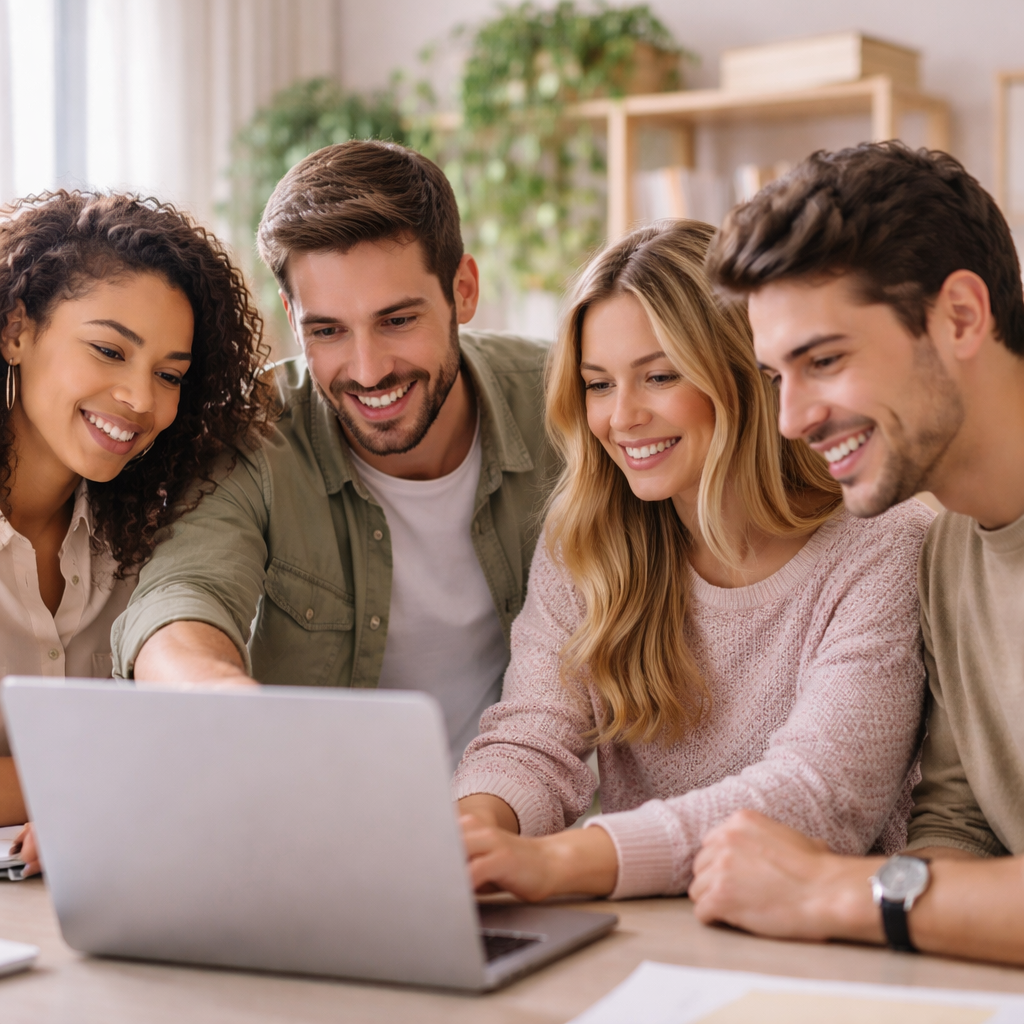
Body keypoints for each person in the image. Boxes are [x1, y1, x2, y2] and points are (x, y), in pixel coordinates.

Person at [453, 220, 934, 903]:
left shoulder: (882, 543)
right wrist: (474, 833)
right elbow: (532, 739)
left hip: (823, 938)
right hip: (646, 929)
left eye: (658, 376)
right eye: (597, 384)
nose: (622, 417)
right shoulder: (588, 540)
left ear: (741, 374)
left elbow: (820, 796)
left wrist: (567, 863)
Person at [111, 140, 557, 763]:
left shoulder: (564, 401)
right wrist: (217, 696)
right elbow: (180, 600)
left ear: (463, 290)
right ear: (292, 318)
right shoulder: (251, 429)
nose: (368, 370)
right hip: (320, 835)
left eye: (397, 320)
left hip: (521, 833)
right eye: (327, 331)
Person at [689, 142, 1024, 968]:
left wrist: (828, 892)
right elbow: (961, 828)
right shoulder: (945, 549)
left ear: (960, 317)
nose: (790, 419)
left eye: (824, 361)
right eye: (775, 376)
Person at [0, 189, 273, 874]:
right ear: (15, 330)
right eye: (108, 350)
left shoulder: (150, 533)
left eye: (169, 374)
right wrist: (98, 785)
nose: (141, 400)